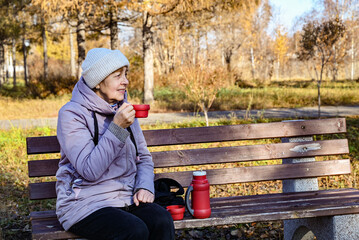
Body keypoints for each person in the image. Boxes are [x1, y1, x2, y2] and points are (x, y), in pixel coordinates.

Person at [55, 48, 175, 240]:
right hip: (85, 204)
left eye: (125, 74)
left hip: (125, 197)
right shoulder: (71, 114)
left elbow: (143, 157)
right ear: (98, 82)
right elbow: (89, 170)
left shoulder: (124, 110)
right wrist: (117, 128)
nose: (125, 81)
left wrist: (144, 187)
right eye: (117, 75)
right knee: (133, 230)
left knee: (161, 219)